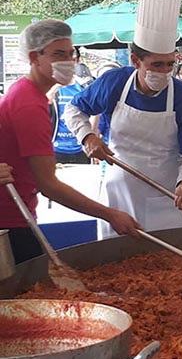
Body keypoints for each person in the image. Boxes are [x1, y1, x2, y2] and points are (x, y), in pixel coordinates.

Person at [64, 0, 182, 238]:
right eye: (157, 64)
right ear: (135, 61)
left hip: (167, 196)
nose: (164, 72)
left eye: (169, 64)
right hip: (119, 194)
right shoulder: (114, 83)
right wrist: (88, 137)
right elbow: (73, 110)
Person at [0, 19, 140, 263]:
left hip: (17, 214)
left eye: (70, 53)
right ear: (35, 57)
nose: (68, 61)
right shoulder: (29, 104)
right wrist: (110, 215)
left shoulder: (27, 92)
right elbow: (49, 185)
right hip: (11, 221)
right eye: (58, 54)